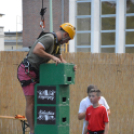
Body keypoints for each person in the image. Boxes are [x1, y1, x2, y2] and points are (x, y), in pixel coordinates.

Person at [17, 23, 77, 134]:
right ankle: (33, 130)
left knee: (41, 101)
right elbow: (36, 50)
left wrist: (70, 67)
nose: (67, 42)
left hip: (36, 72)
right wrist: (52, 57)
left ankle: (40, 126)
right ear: (65, 34)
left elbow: (61, 60)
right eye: (68, 39)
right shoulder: (49, 38)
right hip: (27, 72)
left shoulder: (56, 44)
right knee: (31, 102)